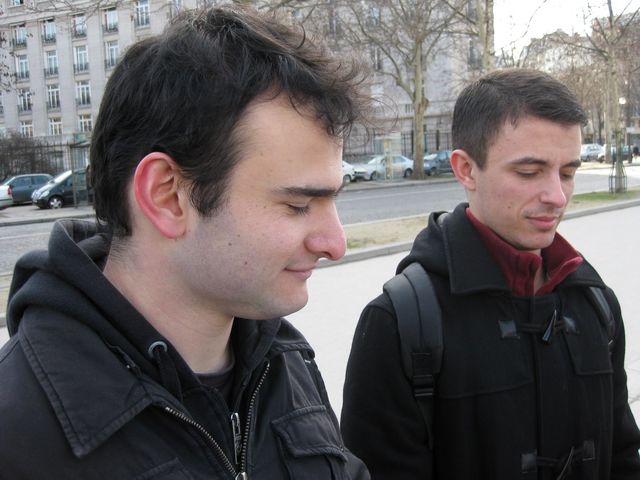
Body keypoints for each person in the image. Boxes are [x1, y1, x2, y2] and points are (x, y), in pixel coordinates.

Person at [0, 6, 370, 479]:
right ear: (167, 196)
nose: (335, 244)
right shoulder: (18, 434)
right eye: (298, 205)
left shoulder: (285, 363)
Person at [341, 69, 640, 479]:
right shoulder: (400, 322)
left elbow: (622, 457)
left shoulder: (596, 303)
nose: (557, 196)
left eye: (568, 172)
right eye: (529, 172)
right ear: (466, 169)